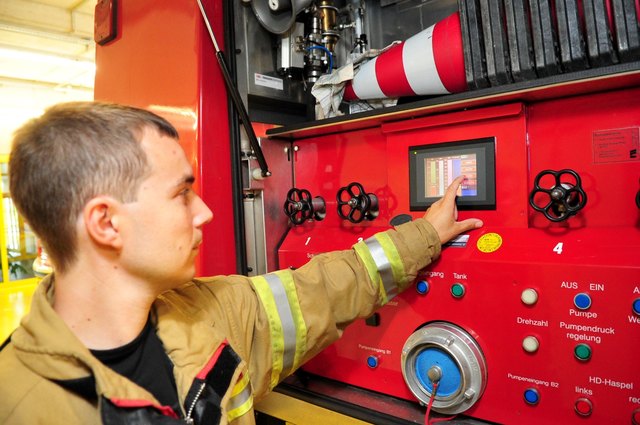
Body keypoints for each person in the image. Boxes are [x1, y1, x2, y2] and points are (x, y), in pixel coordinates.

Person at [0, 102, 483, 424]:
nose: (205, 211)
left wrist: (425, 235)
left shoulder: (209, 313)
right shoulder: (22, 404)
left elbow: (324, 288)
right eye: (181, 194)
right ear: (105, 224)